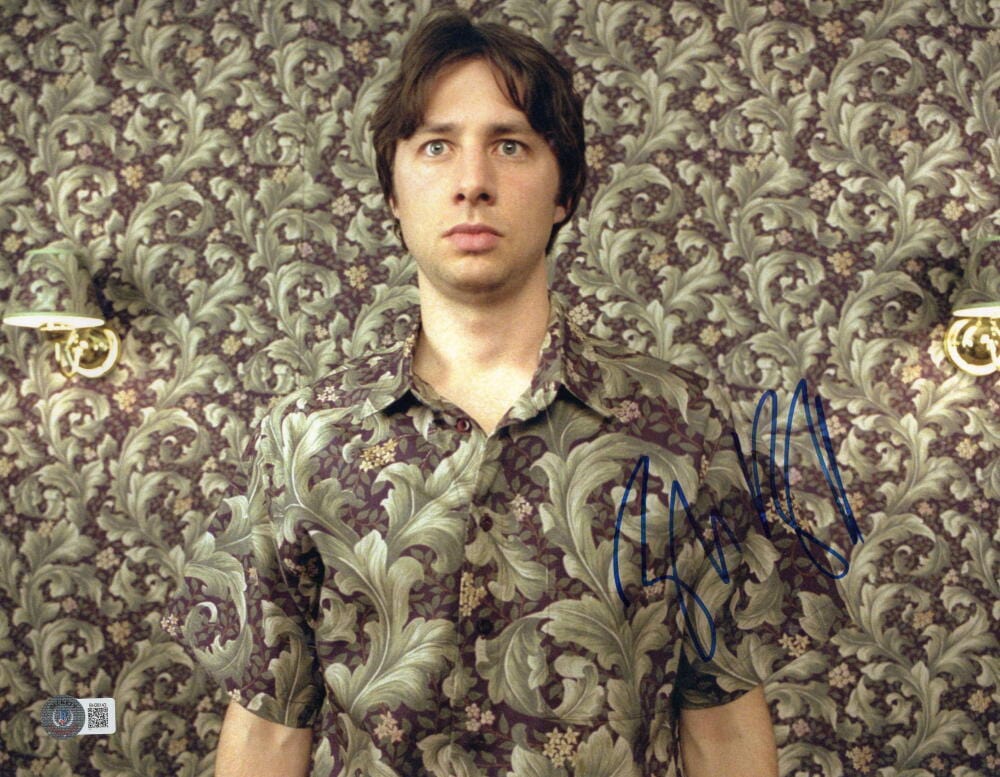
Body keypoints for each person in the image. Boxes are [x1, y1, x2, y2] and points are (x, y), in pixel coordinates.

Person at [200, 9, 780, 776]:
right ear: (394, 192)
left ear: (563, 189)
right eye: (437, 146)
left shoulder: (681, 427)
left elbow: (723, 723)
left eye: (510, 145)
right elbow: (270, 728)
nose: (472, 182)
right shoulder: (305, 436)